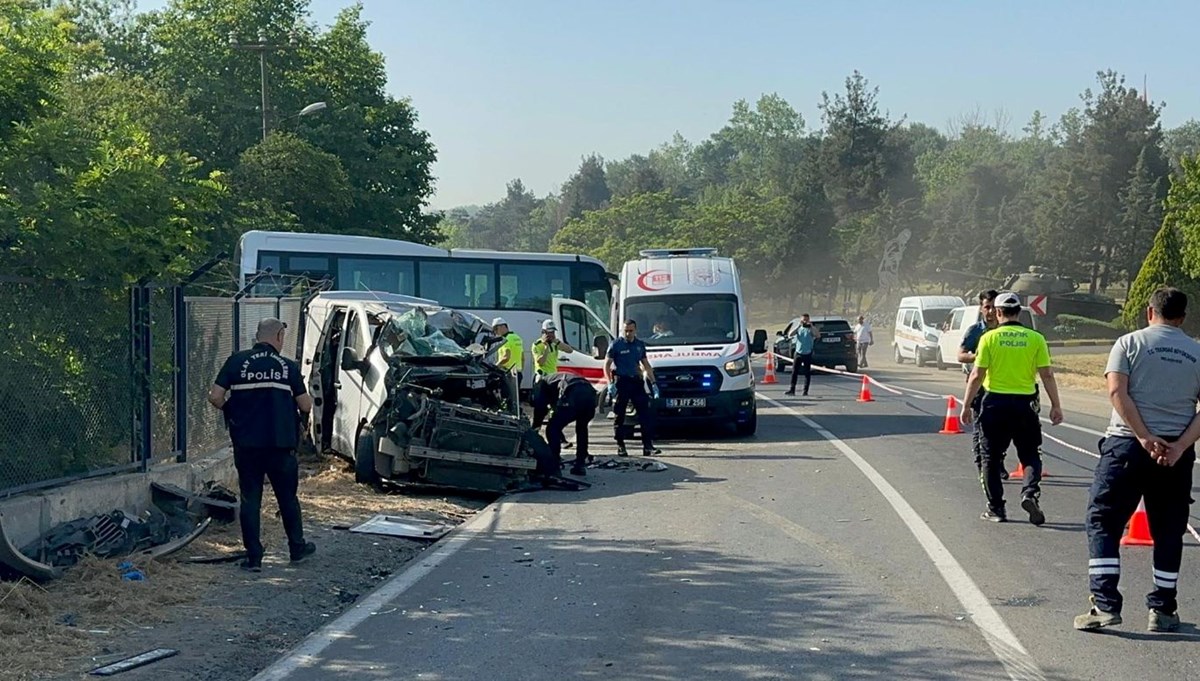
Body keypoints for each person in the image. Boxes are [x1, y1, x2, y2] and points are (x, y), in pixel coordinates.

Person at [1074, 287, 1200, 633]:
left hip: (1126, 447)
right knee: (1169, 530)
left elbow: (1117, 392)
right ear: (1183, 317)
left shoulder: (1128, 344)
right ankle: (1162, 609)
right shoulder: (1197, 352)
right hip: (1175, 453)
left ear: (1149, 312)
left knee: (1103, 520)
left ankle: (1105, 604)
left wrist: (1144, 437)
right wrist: (1178, 447)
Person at [207, 318, 316, 572]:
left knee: (250, 499)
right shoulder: (287, 366)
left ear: (257, 337)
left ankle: (254, 557)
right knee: (287, 498)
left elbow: (215, 396)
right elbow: (305, 405)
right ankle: (297, 549)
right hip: (280, 444)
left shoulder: (236, 361)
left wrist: (233, 409)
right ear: (278, 336)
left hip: (247, 445)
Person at [961, 292, 1063, 524]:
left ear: (998, 313)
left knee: (990, 458)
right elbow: (1047, 374)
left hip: (994, 403)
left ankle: (996, 508)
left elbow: (977, 375)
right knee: (1030, 455)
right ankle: (1029, 493)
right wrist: (1056, 405)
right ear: (1019, 312)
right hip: (1025, 404)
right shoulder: (1036, 338)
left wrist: (966, 405)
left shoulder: (989, 338)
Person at [957, 290, 1007, 479]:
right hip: (979, 386)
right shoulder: (975, 330)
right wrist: (977, 356)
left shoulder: (1005, 331)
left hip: (1000, 386)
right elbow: (960, 355)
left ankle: (998, 462)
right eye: (987, 307)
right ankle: (983, 467)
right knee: (981, 429)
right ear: (981, 308)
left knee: (1002, 431)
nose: (991, 311)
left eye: (994, 307)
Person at [604, 319, 661, 456]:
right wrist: (609, 383)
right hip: (621, 382)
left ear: (635, 330)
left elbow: (646, 364)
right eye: (626, 331)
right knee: (620, 415)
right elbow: (606, 365)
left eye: (631, 330)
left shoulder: (639, 345)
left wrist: (653, 383)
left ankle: (648, 446)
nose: (628, 333)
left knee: (645, 414)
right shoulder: (616, 345)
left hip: (636, 382)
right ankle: (621, 445)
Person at [532, 372, 598, 477]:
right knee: (582, 429)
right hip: (590, 395)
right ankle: (580, 465)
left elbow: (540, 407)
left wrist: (535, 427)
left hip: (573, 393)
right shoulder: (555, 379)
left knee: (552, 428)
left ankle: (554, 465)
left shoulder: (541, 384)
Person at [785, 314, 820, 397]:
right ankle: (792, 389)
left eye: (806, 320)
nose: (805, 321)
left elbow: (818, 335)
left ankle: (805, 391)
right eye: (804, 320)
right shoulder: (799, 328)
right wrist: (798, 326)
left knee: (807, 373)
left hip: (807, 353)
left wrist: (811, 326)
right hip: (798, 353)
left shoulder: (811, 329)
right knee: (794, 372)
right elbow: (790, 334)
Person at [490, 316, 524, 390]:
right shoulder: (517, 337)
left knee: (506, 398)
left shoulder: (505, 340)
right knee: (515, 398)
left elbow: (506, 357)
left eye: (496, 329)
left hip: (508, 374)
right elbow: (522, 357)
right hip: (517, 373)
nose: (495, 332)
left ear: (503, 326)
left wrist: (495, 366)